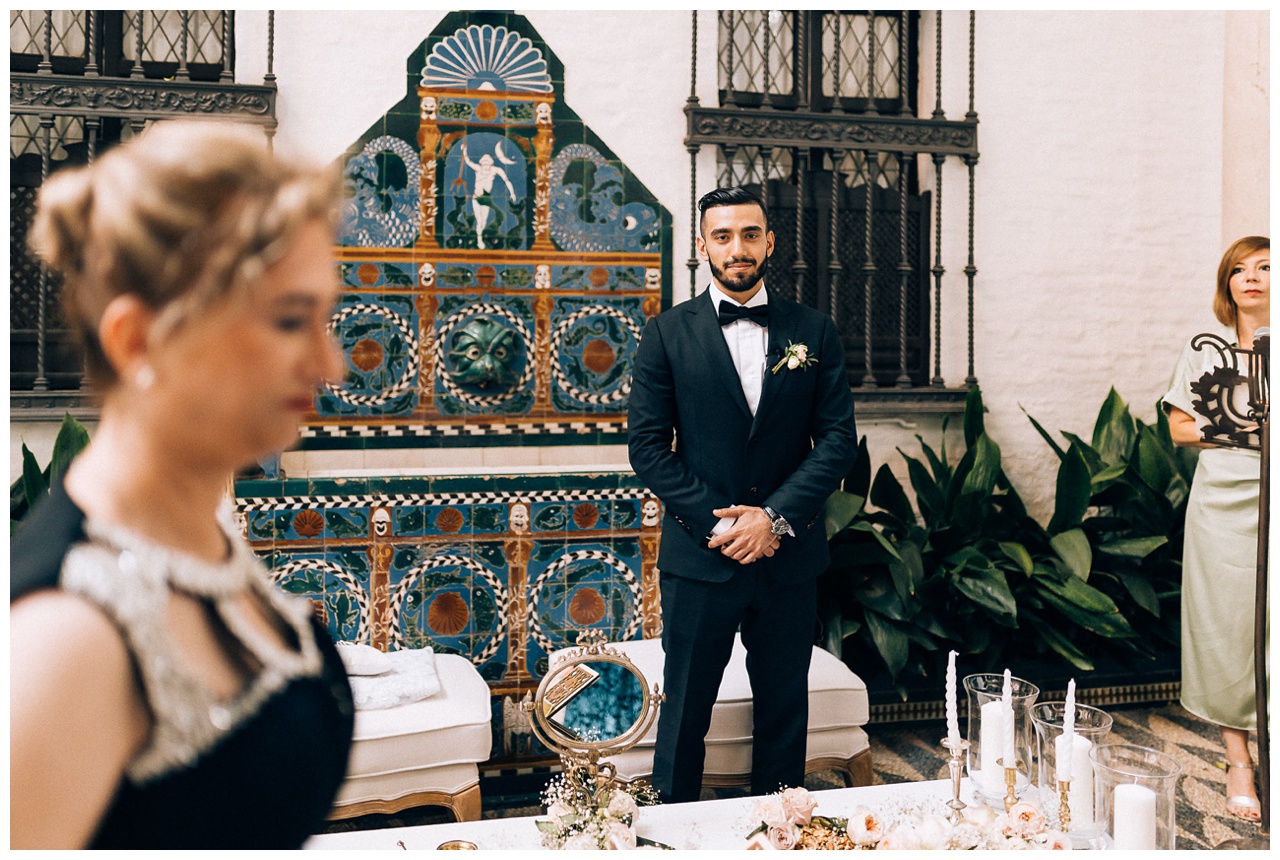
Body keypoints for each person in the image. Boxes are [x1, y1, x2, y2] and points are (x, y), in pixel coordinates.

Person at [10, 121, 354, 848]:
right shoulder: (64, 637)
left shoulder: (197, 541)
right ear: (136, 339)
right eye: (291, 320)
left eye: (328, 317)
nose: (331, 365)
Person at [627, 186, 858, 802]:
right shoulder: (666, 333)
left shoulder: (814, 330)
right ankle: (672, 832)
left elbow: (837, 441)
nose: (737, 248)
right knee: (684, 713)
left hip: (788, 559)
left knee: (785, 709)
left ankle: (777, 831)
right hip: (701, 560)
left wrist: (773, 519)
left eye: (750, 234)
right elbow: (647, 448)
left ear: (769, 241)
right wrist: (724, 524)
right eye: (723, 236)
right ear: (702, 246)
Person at [1162, 235, 1269, 823]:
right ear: (1226, 286)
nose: (1250, 277)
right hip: (1224, 505)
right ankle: (1239, 762)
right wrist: (1251, 434)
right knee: (1229, 626)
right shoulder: (1206, 351)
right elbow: (1180, 428)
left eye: (1265, 267)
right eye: (1238, 270)